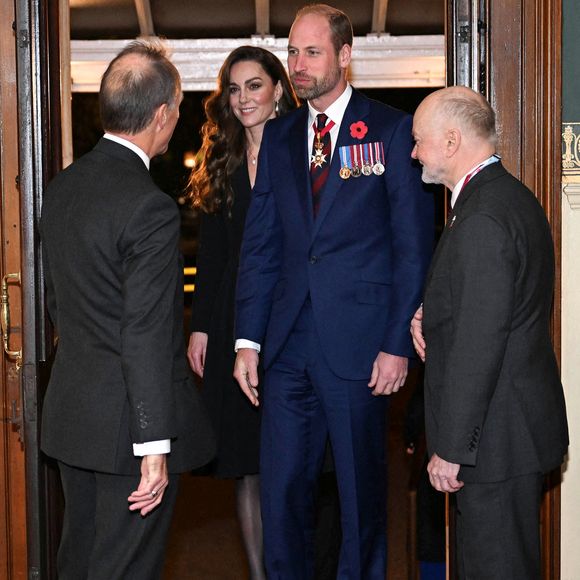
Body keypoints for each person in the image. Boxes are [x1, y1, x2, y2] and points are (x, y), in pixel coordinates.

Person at [232, 4, 434, 578]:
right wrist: (248, 340)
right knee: (282, 495)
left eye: (311, 53)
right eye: (292, 53)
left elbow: (412, 249)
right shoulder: (278, 135)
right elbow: (262, 246)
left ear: (345, 56)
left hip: (361, 348)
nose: (297, 65)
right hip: (287, 346)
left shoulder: (392, 130)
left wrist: (398, 343)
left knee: (359, 499)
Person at [40, 40, 215, 580]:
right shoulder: (149, 208)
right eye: (179, 107)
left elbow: (55, 303)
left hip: (74, 419)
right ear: (162, 115)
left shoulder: (63, 187)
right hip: (126, 438)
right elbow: (145, 332)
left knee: (79, 562)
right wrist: (153, 445)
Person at [409, 86, 569, 579]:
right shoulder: (507, 197)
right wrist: (430, 313)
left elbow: (481, 343)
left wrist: (452, 448)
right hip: (507, 433)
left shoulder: (482, 218)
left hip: (493, 443)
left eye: (419, 140)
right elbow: (489, 307)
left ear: (452, 140)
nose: (414, 152)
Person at [186, 45, 298, 580]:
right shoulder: (222, 158)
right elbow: (212, 254)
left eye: (254, 85)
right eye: (234, 88)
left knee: (294, 460)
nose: (243, 98)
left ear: (278, 89)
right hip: (234, 320)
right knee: (247, 466)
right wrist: (202, 327)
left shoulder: (305, 149)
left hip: (294, 317)